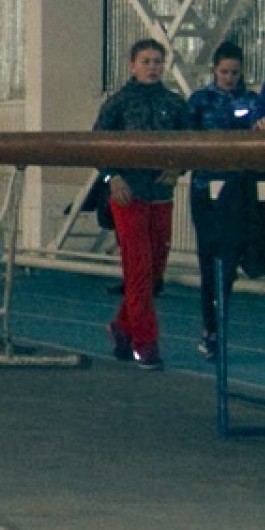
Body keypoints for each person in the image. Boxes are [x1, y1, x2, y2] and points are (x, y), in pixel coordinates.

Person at [94, 38, 189, 370]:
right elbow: (96, 144)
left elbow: (190, 143)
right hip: (128, 195)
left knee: (154, 271)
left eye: (157, 62)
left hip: (161, 195)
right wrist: (112, 177)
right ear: (132, 66)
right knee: (138, 270)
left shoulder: (175, 104)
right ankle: (145, 343)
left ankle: (122, 327)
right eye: (146, 61)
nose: (152, 67)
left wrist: (178, 168)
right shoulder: (118, 103)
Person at [185, 41, 265, 360]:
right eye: (224, 72)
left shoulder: (253, 101)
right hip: (205, 190)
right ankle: (210, 330)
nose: (230, 78)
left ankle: (217, 328)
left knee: (232, 262)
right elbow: (185, 141)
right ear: (214, 71)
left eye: (235, 72)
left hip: (239, 192)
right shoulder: (199, 101)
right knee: (211, 264)